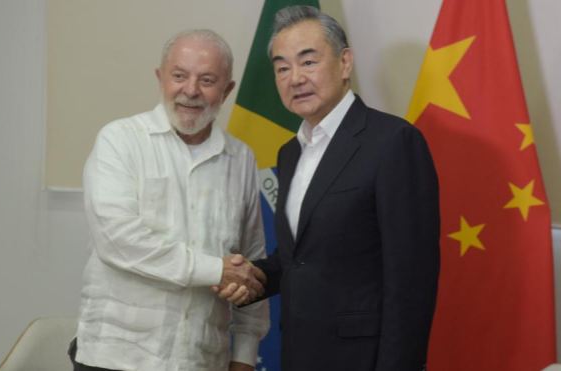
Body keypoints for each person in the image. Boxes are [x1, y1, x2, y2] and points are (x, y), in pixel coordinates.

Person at [217, 6, 440, 371]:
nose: (295, 78)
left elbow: (411, 281)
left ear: (345, 62)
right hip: (300, 353)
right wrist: (252, 277)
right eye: (282, 67)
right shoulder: (289, 153)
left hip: (364, 359)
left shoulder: (394, 142)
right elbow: (301, 258)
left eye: (308, 62)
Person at [71, 29, 269, 371]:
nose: (190, 91)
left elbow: (251, 263)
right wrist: (214, 270)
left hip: (203, 360)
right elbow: (117, 241)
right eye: (179, 76)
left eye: (207, 80)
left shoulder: (242, 159)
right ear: (161, 78)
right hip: (116, 359)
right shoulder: (119, 141)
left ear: (227, 90)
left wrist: (245, 353)